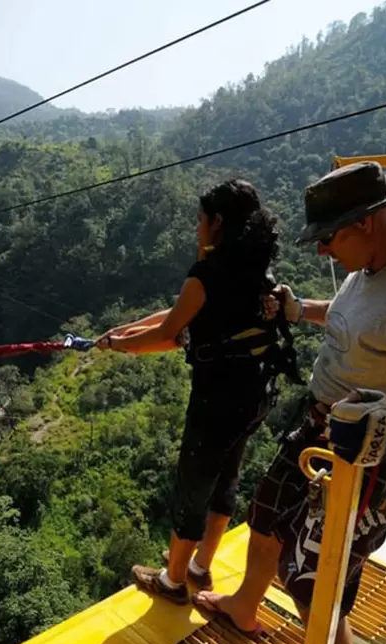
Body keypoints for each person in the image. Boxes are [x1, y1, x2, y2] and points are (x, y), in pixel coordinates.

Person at [191, 161, 386, 644]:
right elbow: (354, 320)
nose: (322, 248)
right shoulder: (371, 266)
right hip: (322, 426)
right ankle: (244, 604)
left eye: (328, 237)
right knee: (265, 516)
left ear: (364, 222)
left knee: (313, 576)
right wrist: (299, 309)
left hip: (371, 453)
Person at [96, 178, 302, 606]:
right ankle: (199, 568)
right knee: (227, 478)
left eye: (200, 220)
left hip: (216, 401)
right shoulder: (259, 273)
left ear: (218, 222)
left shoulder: (208, 273)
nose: (196, 228)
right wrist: (127, 331)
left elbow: (172, 333)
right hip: (253, 396)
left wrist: (117, 345)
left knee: (193, 488)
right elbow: (183, 311)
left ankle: (172, 584)